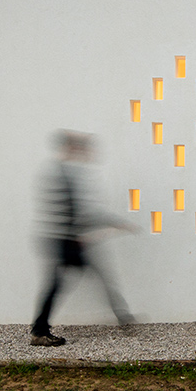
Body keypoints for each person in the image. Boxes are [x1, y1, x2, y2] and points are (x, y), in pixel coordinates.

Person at [30, 130, 139, 347]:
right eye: (77, 148)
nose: (81, 152)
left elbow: (79, 213)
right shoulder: (62, 174)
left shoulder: (63, 172)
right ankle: (39, 331)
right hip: (66, 243)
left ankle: (123, 316)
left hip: (67, 241)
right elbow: (77, 213)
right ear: (70, 148)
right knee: (59, 286)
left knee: (85, 278)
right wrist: (112, 222)